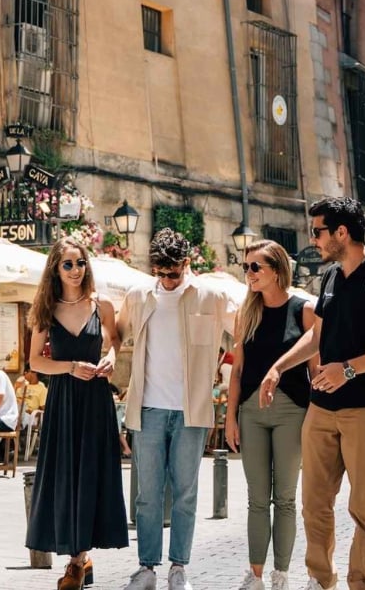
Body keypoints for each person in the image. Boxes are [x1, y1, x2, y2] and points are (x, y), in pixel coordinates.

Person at [260, 196, 365, 590]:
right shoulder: (329, 279)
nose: (313, 239)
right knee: (314, 503)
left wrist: (347, 370)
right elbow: (317, 336)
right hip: (322, 407)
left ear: (342, 233)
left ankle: (362, 584)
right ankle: (319, 580)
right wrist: (279, 367)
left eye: (318, 231)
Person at [116, 228, 236, 590]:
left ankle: (179, 567)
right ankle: (147, 567)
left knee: (185, 493)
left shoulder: (212, 297)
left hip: (191, 411)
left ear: (187, 264)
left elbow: (246, 331)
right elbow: (116, 335)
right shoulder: (138, 296)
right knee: (147, 494)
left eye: (174, 273)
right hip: (148, 409)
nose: (167, 281)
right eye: (160, 273)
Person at [24, 238, 129, 590]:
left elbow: (114, 340)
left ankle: (75, 563)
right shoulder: (46, 310)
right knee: (67, 476)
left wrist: (111, 358)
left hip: (97, 401)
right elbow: (35, 361)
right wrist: (69, 367)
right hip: (64, 402)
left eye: (80, 262)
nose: (75, 270)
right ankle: (79, 559)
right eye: (67, 264)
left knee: (92, 475)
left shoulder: (103, 305)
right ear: (55, 268)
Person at [225, 240, 315, 590]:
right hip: (251, 412)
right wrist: (231, 417)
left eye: (255, 267)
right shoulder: (246, 313)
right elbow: (237, 371)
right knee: (257, 499)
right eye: (245, 267)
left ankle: (281, 574)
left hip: (292, 411)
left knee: (287, 498)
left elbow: (315, 372)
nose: (248, 274)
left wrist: (315, 418)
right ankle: (255, 575)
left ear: (277, 270)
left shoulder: (304, 311)